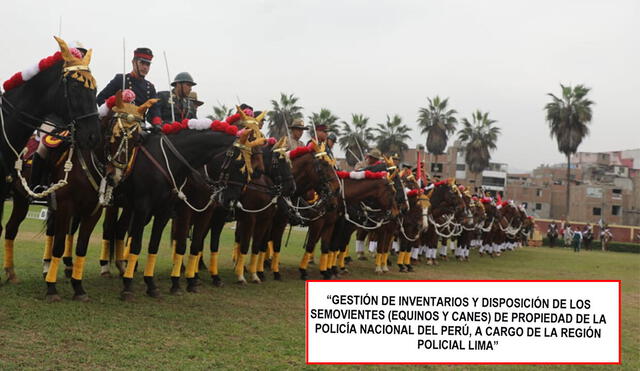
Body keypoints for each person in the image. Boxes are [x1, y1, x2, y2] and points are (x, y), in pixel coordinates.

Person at [97, 47, 160, 124]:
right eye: (142, 63)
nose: (145, 67)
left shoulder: (150, 87)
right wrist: (112, 105)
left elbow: (155, 110)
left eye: (148, 64)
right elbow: (100, 98)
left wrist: (157, 123)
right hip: (118, 123)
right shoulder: (120, 79)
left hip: (139, 125)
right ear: (133, 62)